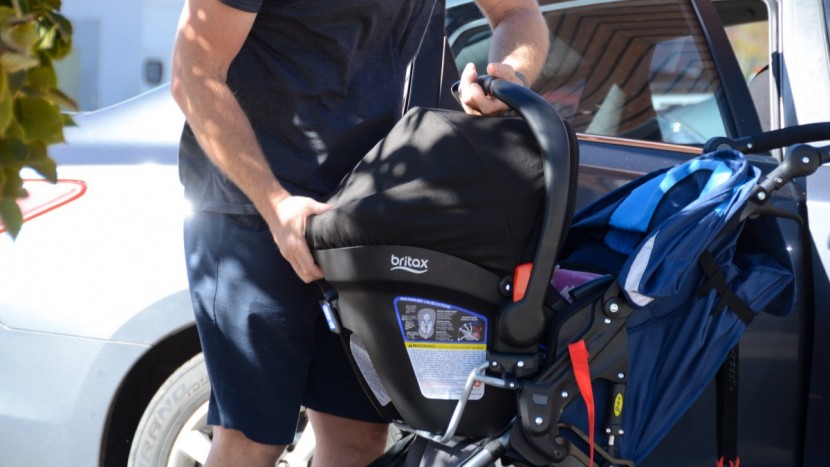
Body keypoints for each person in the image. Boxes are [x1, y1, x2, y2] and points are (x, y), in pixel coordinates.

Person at [170, 0, 549, 466]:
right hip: (253, 211)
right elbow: (194, 72)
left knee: (359, 437)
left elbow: (519, 13)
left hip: (367, 212)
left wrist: (509, 75)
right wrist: (274, 203)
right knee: (254, 438)